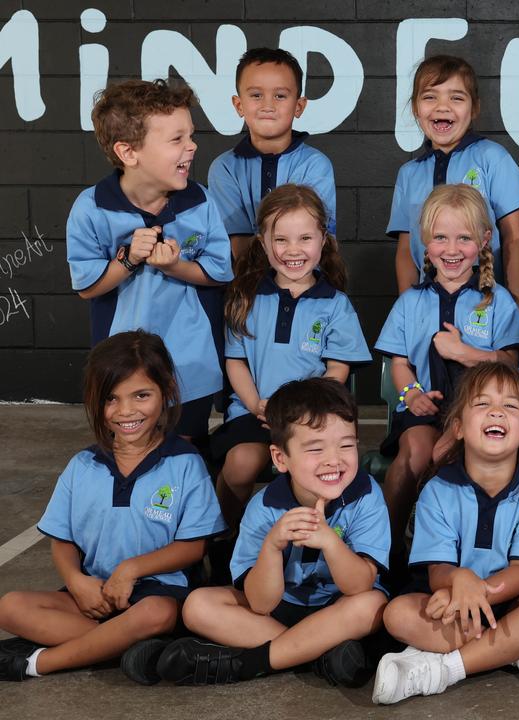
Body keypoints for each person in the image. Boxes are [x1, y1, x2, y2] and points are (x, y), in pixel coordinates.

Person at [0, 331, 225, 683]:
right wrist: (75, 582)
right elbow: (62, 540)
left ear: (165, 392)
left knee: (155, 615)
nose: (126, 411)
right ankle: (130, 648)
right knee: (10, 606)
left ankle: (39, 663)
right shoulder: (82, 465)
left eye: (141, 395)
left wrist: (132, 569)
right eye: (111, 399)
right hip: (95, 595)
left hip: (156, 594)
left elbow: (194, 546)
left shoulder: (185, 463)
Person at [157, 378, 390, 688]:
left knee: (371, 605)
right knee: (198, 606)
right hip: (277, 614)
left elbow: (359, 586)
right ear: (281, 458)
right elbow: (260, 604)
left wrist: (330, 543)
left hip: (337, 609)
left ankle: (247, 663)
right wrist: (272, 547)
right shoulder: (264, 508)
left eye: (346, 445)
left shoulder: (366, 495)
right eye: (315, 448)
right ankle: (318, 654)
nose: (334, 459)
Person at [372, 362, 519, 703]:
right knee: (397, 614)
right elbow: (438, 572)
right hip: (459, 611)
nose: (496, 412)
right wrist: (458, 585)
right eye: (482, 404)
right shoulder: (437, 490)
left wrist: (472, 589)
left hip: (514, 604)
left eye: (510, 406)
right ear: (457, 427)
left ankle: (443, 669)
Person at [66, 79, 233, 443]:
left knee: (188, 450)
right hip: (123, 366)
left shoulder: (200, 200)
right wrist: (126, 261)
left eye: (191, 135)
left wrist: (175, 266)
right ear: (128, 152)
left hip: (191, 362)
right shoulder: (91, 208)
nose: (192, 146)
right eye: (177, 139)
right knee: (131, 449)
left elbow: (220, 273)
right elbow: (87, 287)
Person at [375, 184, 519, 562]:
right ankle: (386, 548)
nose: (452, 249)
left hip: (481, 413)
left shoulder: (497, 301)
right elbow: (400, 363)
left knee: (448, 449)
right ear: (426, 242)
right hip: (426, 408)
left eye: (464, 238)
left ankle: (442, 545)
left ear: (485, 240)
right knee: (414, 453)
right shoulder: (411, 302)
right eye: (441, 238)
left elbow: (512, 362)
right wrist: (412, 394)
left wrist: (466, 353)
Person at [210, 183, 369, 534]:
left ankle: (310, 541)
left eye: (304, 239)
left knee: (312, 469)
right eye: (281, 240)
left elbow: (337, 369)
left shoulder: (335, 304)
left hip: (310, 418)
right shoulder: (245, 297)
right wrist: (255, 404)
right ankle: (224, 537)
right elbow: (235, 361)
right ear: (263, 241)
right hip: (256, 412)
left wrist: (302, 410)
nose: (292, 250)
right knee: (240, 464)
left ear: (322, 240)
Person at [388, 55, 519, 304]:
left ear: (473, 108)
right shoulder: (409, 173)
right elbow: (404, 252)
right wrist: (408, 308)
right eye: (430, 97)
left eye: (456, 98)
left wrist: (515, 306)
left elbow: (514, 238)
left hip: (484, 304)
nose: (443, 107)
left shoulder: (492, 158)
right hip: (428, 304)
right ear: (415, 108)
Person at [208, 47, 337, 261]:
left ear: (299, 106)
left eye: (280, 96)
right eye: (256, 95)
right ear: (239, 105)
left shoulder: (316, 165)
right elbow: (236, 246)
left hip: (305, 284)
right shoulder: (224, 168)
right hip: (246, 284)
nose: (268, 105)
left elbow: (319, 242)